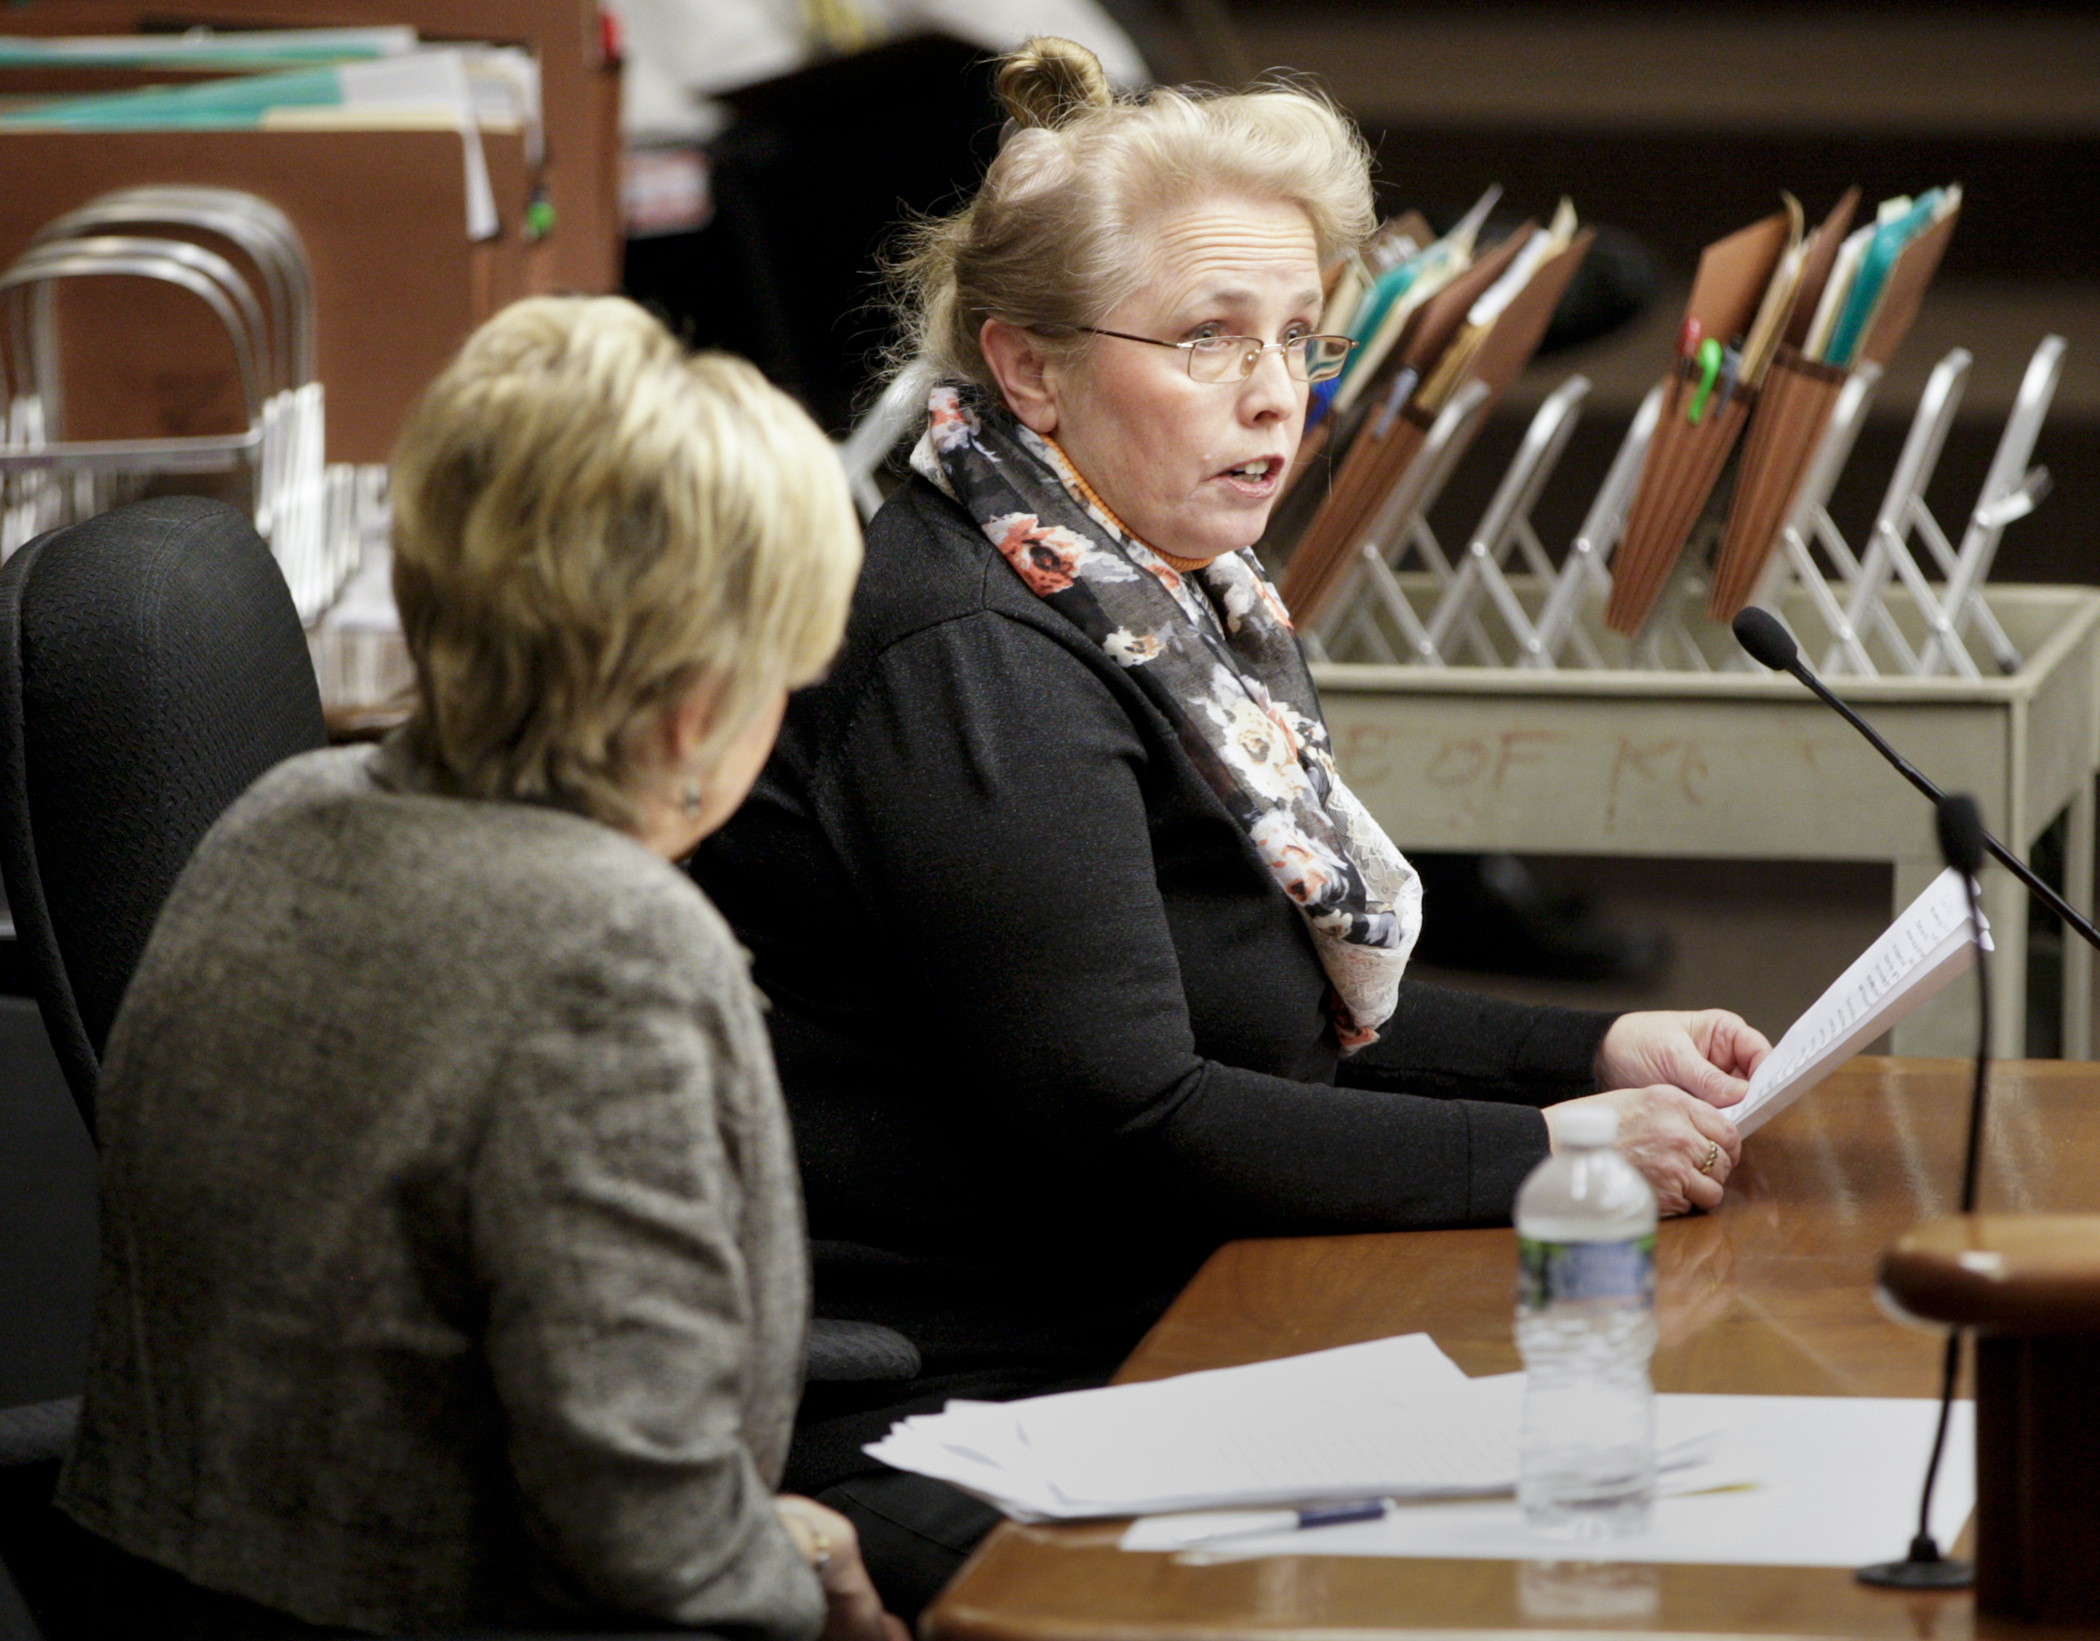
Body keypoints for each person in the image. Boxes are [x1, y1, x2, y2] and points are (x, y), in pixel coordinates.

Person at [692, 38, 1768, 1617]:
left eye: (1301, 344)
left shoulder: (1153, 590)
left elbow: (1263, 1007)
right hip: (957, 1402)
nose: (1276, 397)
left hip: (1156, 1326)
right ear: (1030, 369)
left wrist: (1589, 1052)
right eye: (1208, 339)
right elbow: (1136, 1113)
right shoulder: (981, 648)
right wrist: (1547, 1153)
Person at [54, 297, 906, 1641]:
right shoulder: (613, 943)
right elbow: (644, 1532)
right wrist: (813, 1591)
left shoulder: (282, 812)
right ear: (695, 707)